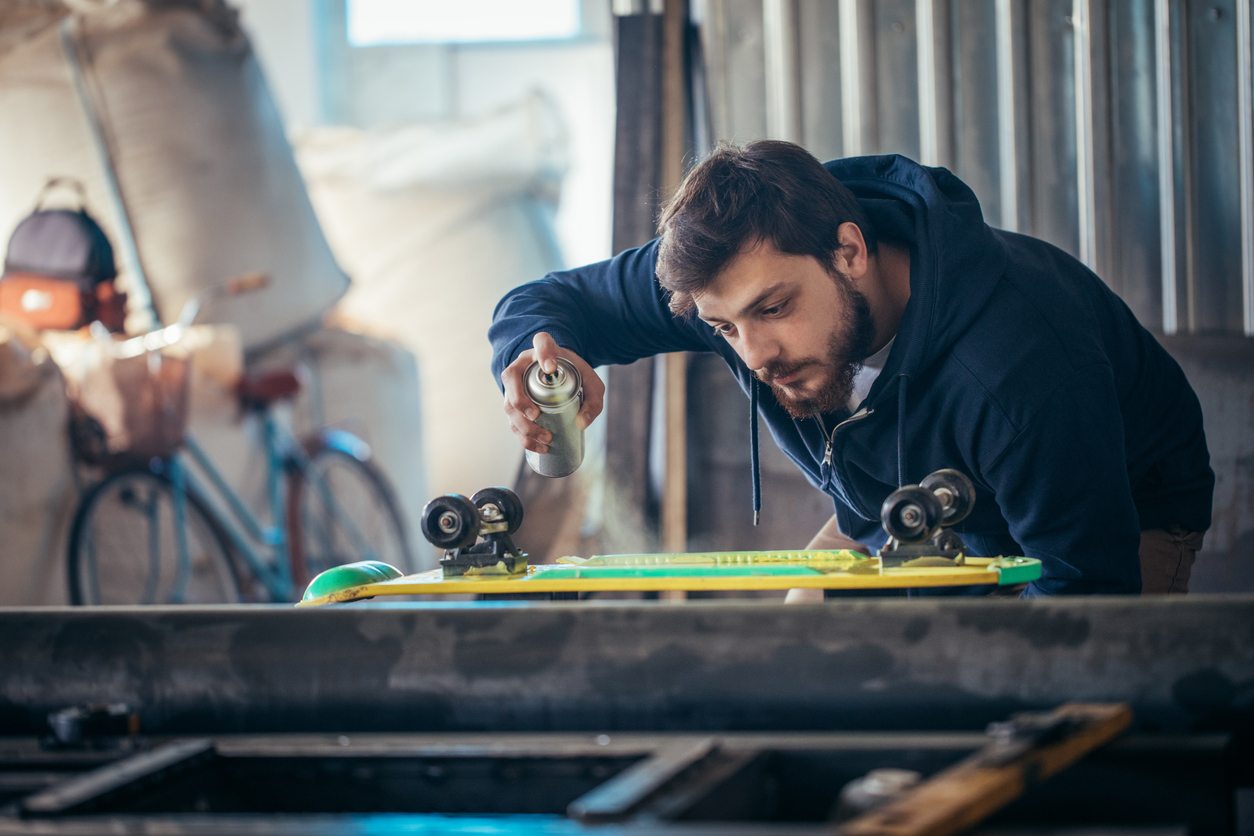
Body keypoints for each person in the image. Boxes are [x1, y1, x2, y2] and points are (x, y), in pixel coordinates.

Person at [489, 141, 1213, 597]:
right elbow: (543, 301)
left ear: (850, 250)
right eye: (722, 328)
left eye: (773, 310)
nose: (754, 355)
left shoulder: (1021, 364)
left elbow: (1084, 587)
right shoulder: (737, 274)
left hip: (1110, 520)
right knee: (811, 662)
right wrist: (537, 359)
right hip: (896, 508)